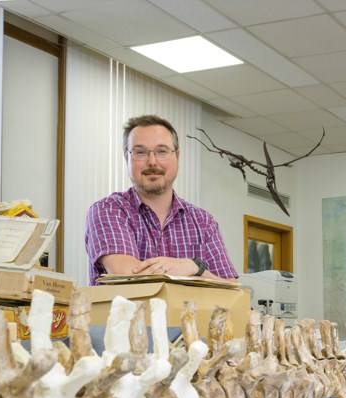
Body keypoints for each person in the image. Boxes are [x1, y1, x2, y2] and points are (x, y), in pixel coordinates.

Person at [85, 114, 239, 285]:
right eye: (140, 152)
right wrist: (195, 276)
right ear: (126, 158)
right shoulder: (108, 210)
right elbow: (128, 277)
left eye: (162, 151)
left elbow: (231, 289)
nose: (152, 162)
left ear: (177, 157)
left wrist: (195, 268)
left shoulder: (203, 222)